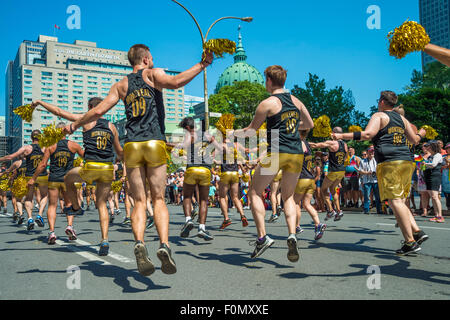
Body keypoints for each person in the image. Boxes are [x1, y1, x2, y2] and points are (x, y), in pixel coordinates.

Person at [64, 44, 214, 276]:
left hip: (132, 144)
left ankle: (140, 242)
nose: (153, 61)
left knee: (139, 200)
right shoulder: (153, 74)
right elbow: (176, 82)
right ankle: (164, 245)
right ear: (145, 59)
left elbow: (97, 112)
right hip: (154, 141)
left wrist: (74, 125)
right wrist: (202, 64)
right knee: (158, 199)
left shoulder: (121, 84)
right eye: (151, 57)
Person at [332, 90, 429, 255]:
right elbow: (415, 140)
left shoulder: (379, 116)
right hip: (406, 161)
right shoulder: (402, 119)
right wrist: (421, 132)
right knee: (398, 201)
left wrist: (342, 135)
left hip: (390, 162)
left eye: (379, 100)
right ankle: (417, 232)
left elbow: (368, 134)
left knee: (395, 201)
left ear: (382, 102)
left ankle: (410, 241)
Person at [234, 65, 314, 261]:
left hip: (277, 152)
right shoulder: (296, 101)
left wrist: (233, 134)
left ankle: (262, 237)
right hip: (296, 153)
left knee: (254, 192)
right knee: (288, 197)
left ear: (269, 80)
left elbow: (252, 130)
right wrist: (294, 128)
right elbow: (309, 125)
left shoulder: (267, 103)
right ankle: (292, 235)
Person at [32, 98, 123, 256]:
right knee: (102, 205)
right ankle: (105, 240)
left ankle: (75, 207)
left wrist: (40, 103)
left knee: (67, 178)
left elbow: (59, 112)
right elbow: (120, 152)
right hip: (107, 168)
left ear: (90, 107)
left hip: (91, 167)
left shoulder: (86, 119)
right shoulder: (112, 126)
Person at [27, 123, 84, 244]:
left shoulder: (50, 146)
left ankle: (52, 232)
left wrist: (33, 178)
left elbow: (43, 164)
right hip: (68, 180)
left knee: (52, 205)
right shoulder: (74, 145)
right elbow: (87, 157)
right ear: (66, 132)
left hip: (53, 178)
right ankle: (69, 226)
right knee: (69, 204)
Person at [177, 117, 221, 241]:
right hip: (206, 170)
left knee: (186, 196)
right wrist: (211, 156)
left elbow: (184, 145)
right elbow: (220, 148)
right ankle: (202, 227)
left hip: (192, 168)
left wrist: (171, 145)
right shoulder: (207, 135)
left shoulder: (190, 135)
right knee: (203, 200)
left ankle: (188, 220)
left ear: (187, 127)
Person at [0, 130, 49, 231]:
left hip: (29, 176)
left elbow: (10, 157)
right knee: (44, 196)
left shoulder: (27, 148)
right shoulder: (45, 148)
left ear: (31, 138)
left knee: (29, 198)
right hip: (42, 175)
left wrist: (1, 159)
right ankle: (39, 214)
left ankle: (30, 218)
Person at [294, 129, 327, 240]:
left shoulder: (300, 144)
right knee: (307, 204)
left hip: (302, 178)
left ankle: (297, 226)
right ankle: (318, 224)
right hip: (310, 179)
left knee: (295, 203)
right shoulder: (307, 144)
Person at [310, 128, 348, 222]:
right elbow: (346, 157)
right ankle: (339, 211)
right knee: (332, 189)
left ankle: (331, 210)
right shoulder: (345, 144)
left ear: (334, 133)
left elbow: (315, 145)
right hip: (342, 171)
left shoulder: (332, 143)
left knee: (323, 189)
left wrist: (304, 143)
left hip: (334, 171)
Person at [423, 141, 444, 223]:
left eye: (428, 146)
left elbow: (433, 164)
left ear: (433, 147)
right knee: (432, 197)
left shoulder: (438, 155)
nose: (427, 148)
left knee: (435, 196)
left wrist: (425, 163)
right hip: (428, 176)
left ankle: (440, 216)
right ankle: (436, 215)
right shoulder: (430, 156)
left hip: (434, 176)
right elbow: (427, 165)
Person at [358, 147, 382, 215]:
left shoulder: (377, 160)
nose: (372, 153)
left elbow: (380, 170)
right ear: (367, 153)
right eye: (370, 152)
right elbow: (360, 171)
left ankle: (379, 209)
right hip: (367, 180)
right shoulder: (363, 161)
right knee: (366, 196)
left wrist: (376, 172)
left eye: (373, 152)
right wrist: (367, 173)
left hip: (375, 180)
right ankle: (366, 209)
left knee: (377, 196)